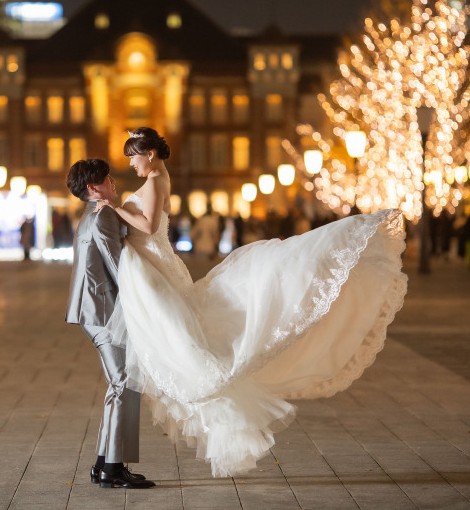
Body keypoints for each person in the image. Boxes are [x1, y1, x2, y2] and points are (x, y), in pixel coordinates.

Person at [94, 127, 408, 478]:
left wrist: (114, 209)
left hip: (155, 269)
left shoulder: (154, 182)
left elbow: (148, 226)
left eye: (133, 156)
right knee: (181, 338)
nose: (130, 163)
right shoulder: (158, 177)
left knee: (183, 342)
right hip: (156, 268)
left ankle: (116, 456)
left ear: (149, 154)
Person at [64, 159, 154, 490]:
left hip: (94, 309)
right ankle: (113, 469)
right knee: (124, 382)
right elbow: (119, 267)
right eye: (108, 179)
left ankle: (104, 463)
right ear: (93, 187)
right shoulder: (103, 215)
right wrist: (147, 301)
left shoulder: (90, 215)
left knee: (118, 383)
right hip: (104, 311)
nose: (114, 183)